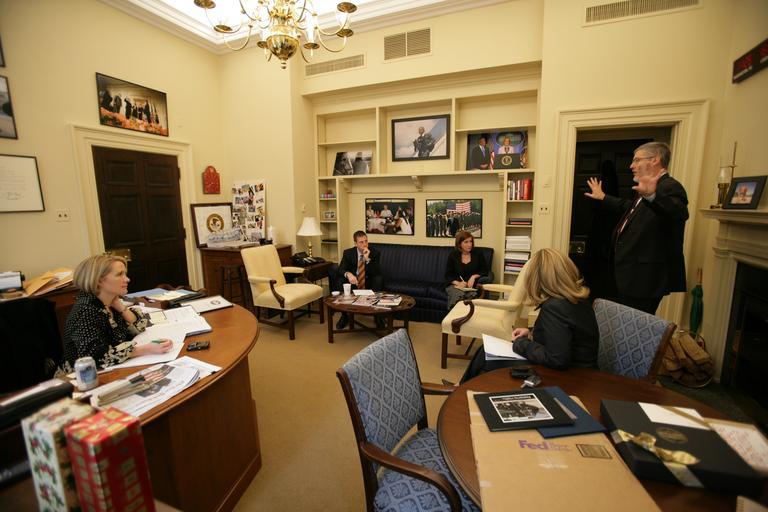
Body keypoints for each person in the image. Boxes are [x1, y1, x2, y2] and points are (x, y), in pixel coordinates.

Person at [461, 249, 599, 382]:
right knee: (485, 350)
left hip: (571, 376)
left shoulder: (554, 307)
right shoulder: (578, 300)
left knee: (486, 356)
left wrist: (521, 343)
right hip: (583, 368)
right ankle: (461, 387)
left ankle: (461, 389)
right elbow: (563, 332)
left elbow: (557, 359)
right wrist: (531, 332)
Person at [584, 141, 688, 314]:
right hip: (631, 276)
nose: (632, 165)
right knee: (626, 320)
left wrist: (652, 196)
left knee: (636, 324)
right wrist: (604, 197)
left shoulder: (669, 186)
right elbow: (629, 209)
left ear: (655, 160)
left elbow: (677, 213)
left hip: (644, 279)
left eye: (637, 160)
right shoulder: (645, 187)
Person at [63, 255, 173, 369]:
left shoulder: (109, 302)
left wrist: (120, 306)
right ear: (99, 280)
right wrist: (146, 349)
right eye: (120, 274)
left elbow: (138, 327)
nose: (127, 279)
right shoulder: (85, 310)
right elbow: (95, 356)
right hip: (81, 375)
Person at [332, 231, 384, 329]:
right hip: (354, 281)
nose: (365, 244)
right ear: (355, 243)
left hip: (368, 280)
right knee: (340, 280)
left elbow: (376, 271)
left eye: (366, 241)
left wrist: (367, 259)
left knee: (378, 279)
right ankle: (344, 315)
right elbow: (341, 269)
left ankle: (377, 316)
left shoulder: (375, 252)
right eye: (361, 242)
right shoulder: (348, 253)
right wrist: (348, 274)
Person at [445, 231, 493, 309]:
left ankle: (464, 315)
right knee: (458, 295)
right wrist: (458, 283)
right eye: (466, 242)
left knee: (470, 295)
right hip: (456, 285)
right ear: (459, 244)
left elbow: (485, 270)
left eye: (471, 241)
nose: (470, 245)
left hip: (470, 287)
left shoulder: (478, 253)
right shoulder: (453, 255)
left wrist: (473, 276)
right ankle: (455, 315)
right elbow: (448, 274)